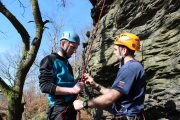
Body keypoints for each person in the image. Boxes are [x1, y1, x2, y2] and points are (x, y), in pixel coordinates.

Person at [73, 32, 146, 120]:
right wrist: (95, 85)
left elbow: (110, 98)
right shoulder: (130, 67)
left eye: (115, 49)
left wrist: (84, 104)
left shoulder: (130, 68)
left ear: (124, 51)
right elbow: (114, 94)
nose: (114, 52)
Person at [39, 31, 84, 120]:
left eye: (76, 48)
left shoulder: (67, 64)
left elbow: (68, 85)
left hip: (71, 108)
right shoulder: (50, 60)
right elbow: (45, 86)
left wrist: (78, 83)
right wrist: (73, 90)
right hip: (59, 110)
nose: (74, 51)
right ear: (63, 43)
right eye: (72, 47)